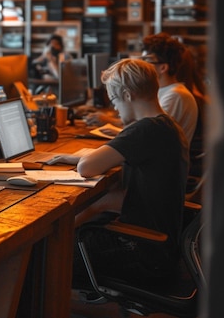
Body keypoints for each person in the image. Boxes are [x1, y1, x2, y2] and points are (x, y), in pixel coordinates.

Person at [60, 58, 188, 286]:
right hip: (160, 249)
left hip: (141, 253)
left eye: (114, 100)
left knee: (47, 257)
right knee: (75, 231)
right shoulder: (166, 125)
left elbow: (86, 168)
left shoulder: (145, 129)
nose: (114, 109)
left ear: (128, 95)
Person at [86, 33, 198, 145]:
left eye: (146, 61)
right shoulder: (162, 91)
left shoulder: (175, 95)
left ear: (163, 68)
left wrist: (109, 121)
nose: (140, 64)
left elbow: (149, 132)